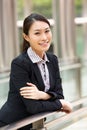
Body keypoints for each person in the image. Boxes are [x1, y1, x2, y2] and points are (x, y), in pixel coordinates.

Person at [0, 13, 72, 130]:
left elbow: (59, 94)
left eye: (47, 31)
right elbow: (33, 107)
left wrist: (42, 95)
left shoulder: (52, 60)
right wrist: (61, 104)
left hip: (36, 123)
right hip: (13, 124)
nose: (44, 37)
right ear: (26, 37)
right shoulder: (19, 64)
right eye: (37, 33)